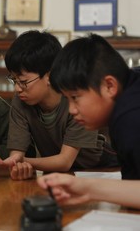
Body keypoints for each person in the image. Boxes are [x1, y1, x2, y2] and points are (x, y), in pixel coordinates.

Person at [0, 30, 117, 180]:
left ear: (50, 76)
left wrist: (22, 161)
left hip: (102, 165)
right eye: (14, 80)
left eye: (23, 82)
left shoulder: (77, 100)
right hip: (61, 173)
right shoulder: (21, 100)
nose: (17, 88)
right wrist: (15, 163)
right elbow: (17, 154)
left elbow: (64, 162)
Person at [36, 33, 140, 208]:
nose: (71, 110)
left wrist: (87, 188)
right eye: (67, 99)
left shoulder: (131, 118)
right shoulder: (131, 87)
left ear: (109, 86)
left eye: (75, 97)